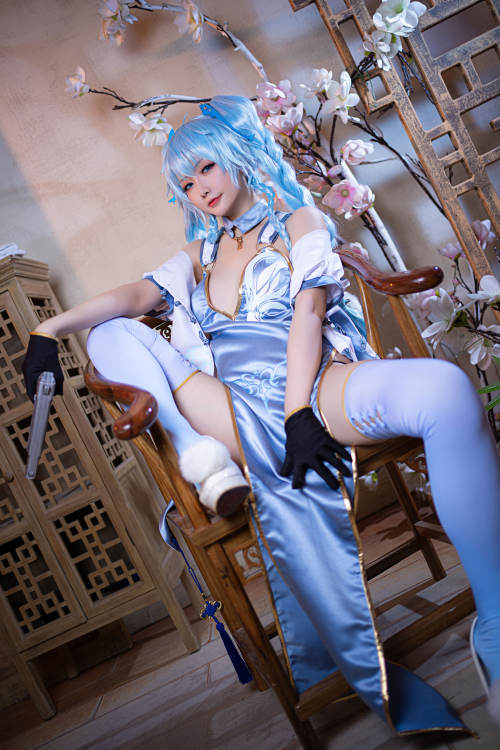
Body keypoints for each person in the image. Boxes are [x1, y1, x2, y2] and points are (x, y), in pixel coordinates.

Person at [22, 95, 500, 734]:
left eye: (207, 168)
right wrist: (48, 331)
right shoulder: (199, 255)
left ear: (236, 156)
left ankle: (496, 627)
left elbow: (310, 310)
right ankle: (203, 458)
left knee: (445, 388)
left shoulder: (297, 220)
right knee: (110, 330)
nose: (199, 189)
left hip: (310, 383)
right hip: (230, 407)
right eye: (185, 184)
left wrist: (300, 409)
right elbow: (133, 295)